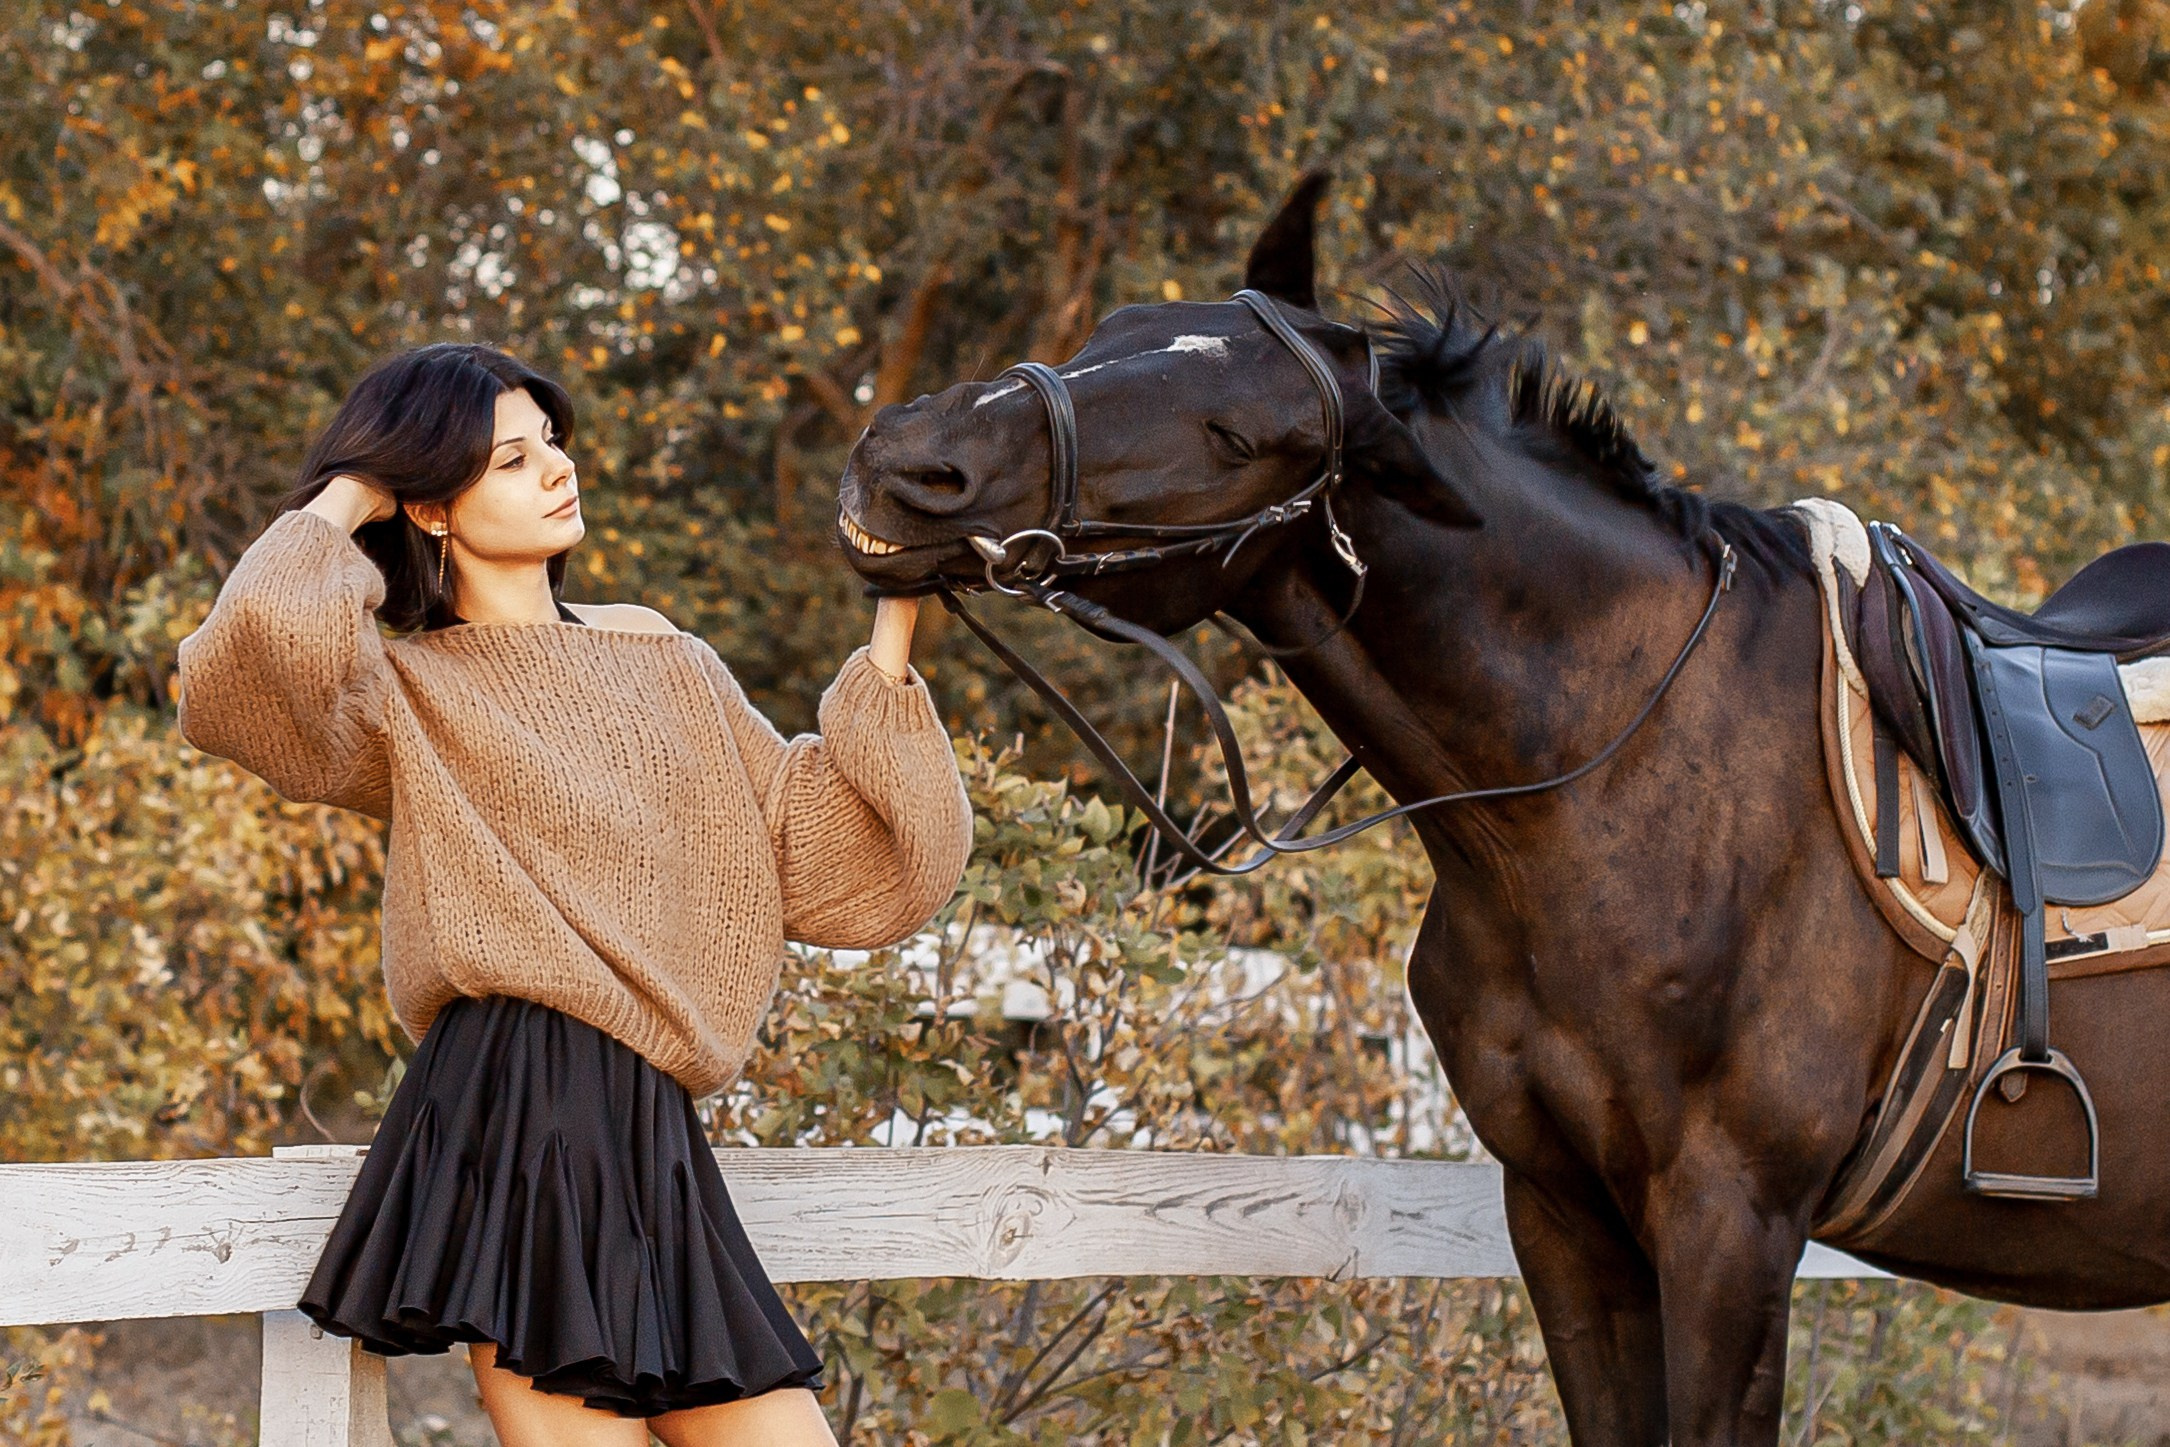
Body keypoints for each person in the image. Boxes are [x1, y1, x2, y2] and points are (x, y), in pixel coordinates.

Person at [173, 342, 975, 1445]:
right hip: (517, 1099)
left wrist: (892, 621)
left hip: (646, 1119)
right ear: (434, 505)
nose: (556, 468)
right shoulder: (400, 690)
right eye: (510, 458)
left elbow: (827, 862)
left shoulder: (662, 653)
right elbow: (241, 673)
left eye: (550, 440)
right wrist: (356, 490)